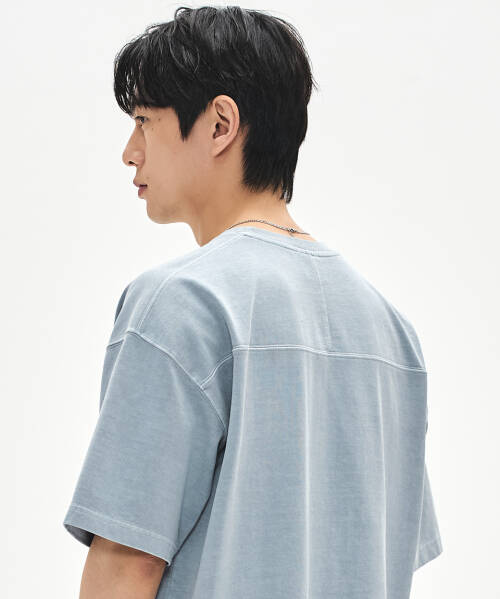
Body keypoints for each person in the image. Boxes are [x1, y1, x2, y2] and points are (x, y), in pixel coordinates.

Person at [63, 5, 443, 598]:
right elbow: (382, 559)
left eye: (144, 121)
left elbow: (126, 564)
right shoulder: (390, 331)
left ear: (220, 124)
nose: (130, 151)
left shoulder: (181, 304)